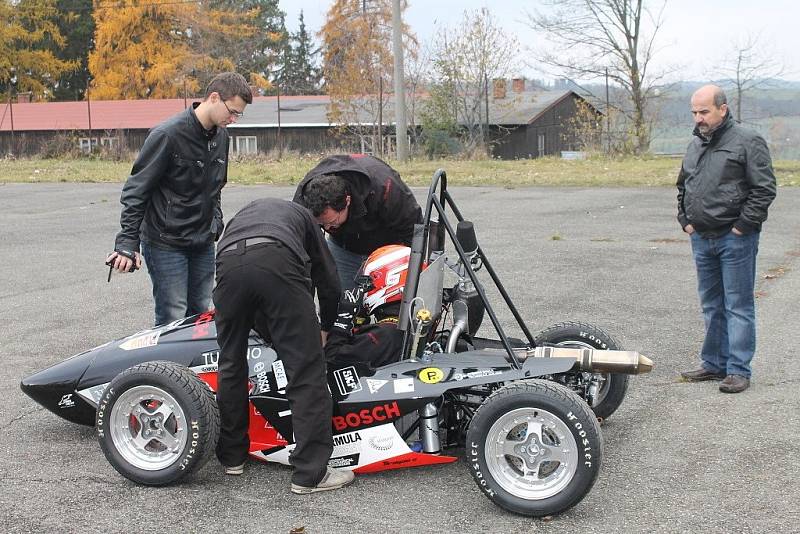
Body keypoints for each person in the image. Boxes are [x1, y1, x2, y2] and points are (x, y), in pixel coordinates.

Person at [212, 197, 354, 494]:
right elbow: (328, 282)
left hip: (227, 265)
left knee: (230, 363)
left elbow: (250, 283)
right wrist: (326, 329)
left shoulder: (250, 211)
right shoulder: (305, 219)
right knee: (305, 369)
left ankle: (232, 457)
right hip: (276, 259)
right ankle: (310, 473)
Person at [108, 72, 253, 326]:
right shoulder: (167, 135)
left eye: (238, 114)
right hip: (166, 243)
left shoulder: (222, 138)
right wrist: (127, 243)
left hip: (203, 242)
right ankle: (165, 368)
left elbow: (216, 187)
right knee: (172, 318)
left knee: (199, 316)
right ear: (214, 97)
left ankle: (189, 369)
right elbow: (136, 189)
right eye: (232, 111)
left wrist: (214, 224)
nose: (233, 119)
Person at [677, 84, 777, 394]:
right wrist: (686, 222)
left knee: (738, 306)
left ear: (723, 108)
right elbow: (683, 187)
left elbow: (764, 189)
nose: (699, 118)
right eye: (695, 112)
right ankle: (713, 363)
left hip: (735, 239)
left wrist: (741, 227)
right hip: (701, 237)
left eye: (704, 111)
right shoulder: (695, 145)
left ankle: (737, 370)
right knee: (711, 305)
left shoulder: (748, 140)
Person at [293, 154, 422, 290]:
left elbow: (413, 226)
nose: (327, 227)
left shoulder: (383, 186)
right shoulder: (304, 198)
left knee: (393, 305)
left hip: (387, 248)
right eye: (322, 224)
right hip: (344, 248)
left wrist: (413, 266)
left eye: (332, 221)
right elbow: (299, 246)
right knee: (340, 300)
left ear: (347, 201)